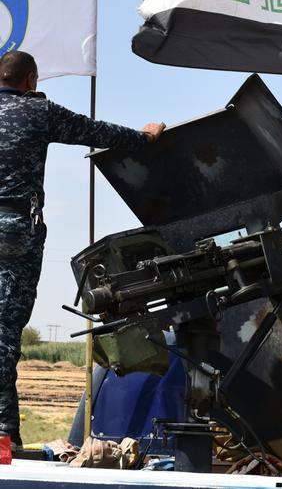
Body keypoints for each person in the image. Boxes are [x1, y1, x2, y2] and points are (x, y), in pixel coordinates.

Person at [0, 51, 166, 449]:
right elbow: (96, 132)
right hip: (13, 232)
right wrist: (144, 137)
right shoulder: (36, 112)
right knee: (4, 333)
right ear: (31, 80)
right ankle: (4, 435)